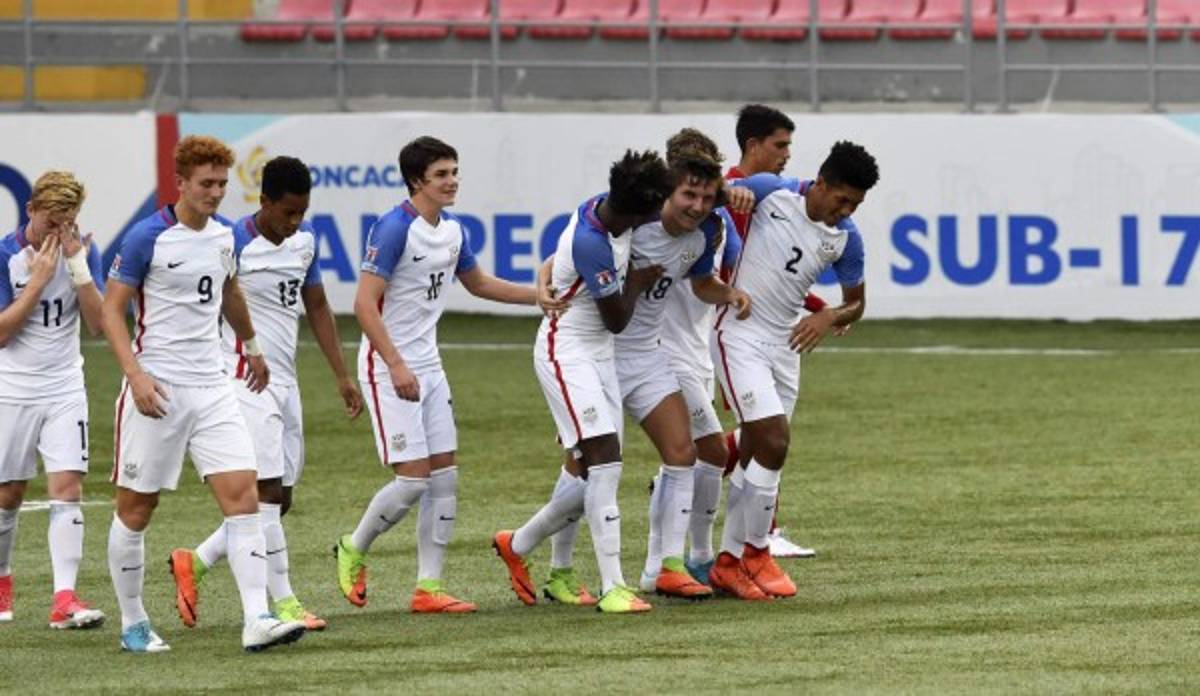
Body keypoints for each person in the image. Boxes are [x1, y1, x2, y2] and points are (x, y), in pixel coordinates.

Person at [102, 135, 305, 653]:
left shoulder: (223, 237)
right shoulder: (148, 237)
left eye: (221, 184)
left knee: (246, 499)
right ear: (182, 183)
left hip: (216, 386)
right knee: (136, 509)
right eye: (206, 184)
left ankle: (257, 618)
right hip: (159, 390)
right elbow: (111, 311)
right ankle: (133, 622)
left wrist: (252, 346)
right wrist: (136, 377)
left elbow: (230, 290)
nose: (216, 193)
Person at [334, 136, 552, 615]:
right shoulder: (394, 229)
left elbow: (478, 284)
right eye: (441, 175)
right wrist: (395, 363)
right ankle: (354, 546)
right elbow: (363, 306)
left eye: (454, 171)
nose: (452, 181)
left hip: (430, 366)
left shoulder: (452, 230)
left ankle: (427, 588)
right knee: (413, 481)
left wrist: (540, 297)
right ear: (417, 181)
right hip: (388, 365)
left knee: (445, 478)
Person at [168, 156, 363, 632]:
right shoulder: (231, 241)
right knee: (267, 493)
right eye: (287, 212)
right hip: (241, 379)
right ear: (265, 201)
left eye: (302, 213)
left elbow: (316, 306)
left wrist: (341, 375)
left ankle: (195, 561)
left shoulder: (305, 243)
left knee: (281, 497)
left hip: (286, 384)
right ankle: (284, 602)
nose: (294, 222)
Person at [493, 150, 673, 614]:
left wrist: (542, 277)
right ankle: (614, 585)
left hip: (597, 355)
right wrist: (637, 279)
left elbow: (555, 260)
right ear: (638, 209)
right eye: (656, 208)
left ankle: (518, 544)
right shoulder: (597, 241)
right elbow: (616, 318)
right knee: (605, 461)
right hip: (566, 351)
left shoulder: (605, 208)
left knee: (587, 468)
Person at [709, 140, 878, 600]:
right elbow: (714, 194)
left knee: (753, 451)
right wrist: (731, 194)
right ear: (820, 183)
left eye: (855, 204)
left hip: (786, 346)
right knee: (774, 441)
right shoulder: (772, 192)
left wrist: (829, 316)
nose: (845, 210)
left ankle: (728, 562)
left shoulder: (847, 238)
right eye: (841, 198)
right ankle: (757, 552)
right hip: (739, 333)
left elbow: (857, 303)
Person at [0, 171, 106, 629]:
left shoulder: (82, 250)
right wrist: (39, 281)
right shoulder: (6, 255)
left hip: (65, 386)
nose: (58, 232)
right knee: (9, 493)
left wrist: (78, 265)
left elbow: (100, 325)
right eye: (51, 222)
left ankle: (64, 598)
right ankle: (3, 580)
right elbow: (2, 334)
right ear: (30, 211)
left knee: (68, 488)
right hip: (12, 387)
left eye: (68, 222)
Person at [726, 104, 829, 559]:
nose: (787, 154)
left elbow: (770, 270)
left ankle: (693, 476)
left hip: (756, 322)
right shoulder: (734, 192)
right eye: (779, 145)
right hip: (732, 326)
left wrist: (816, 305)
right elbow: (738, 267)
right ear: (753, 146)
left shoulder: (774, 194)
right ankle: (760, 535)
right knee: (766, 431)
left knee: (759, 431)